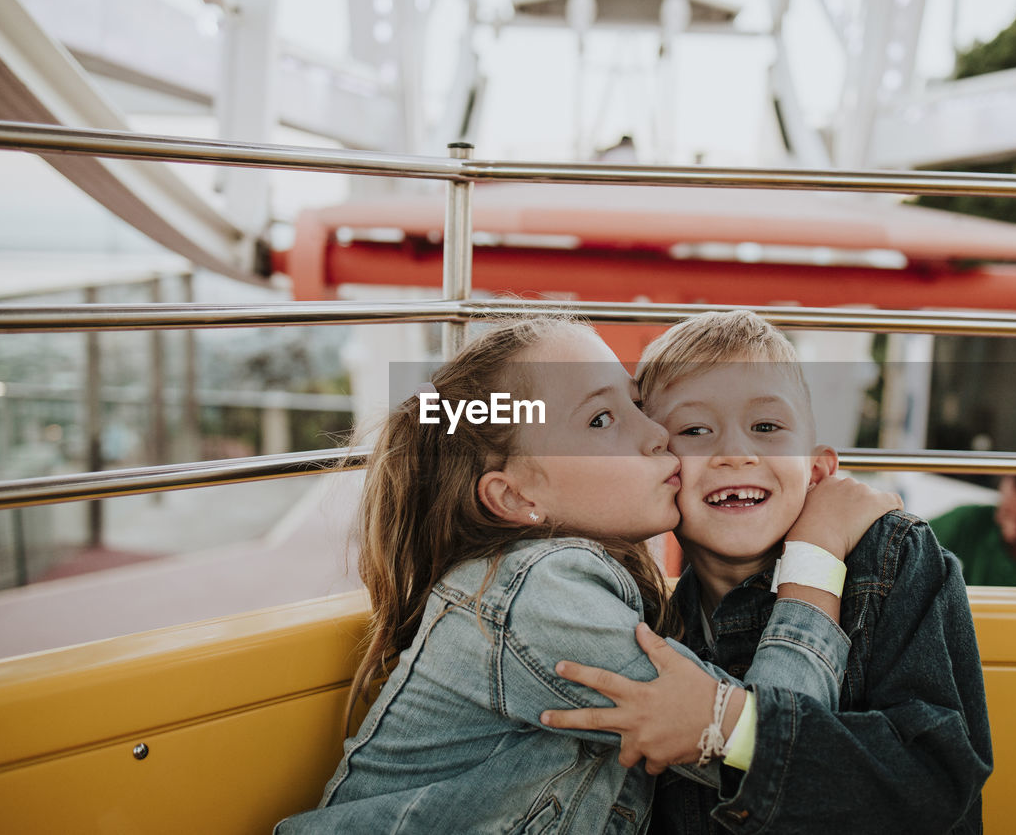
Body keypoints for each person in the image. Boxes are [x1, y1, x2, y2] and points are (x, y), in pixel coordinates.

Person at [275, 317, 898, 834]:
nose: (657, 434)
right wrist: (817, 550)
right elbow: (778, 742)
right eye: (602, 421)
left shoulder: (590, 588)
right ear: (515, 498)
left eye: (633, 403)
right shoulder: (541, 594)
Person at [543, 310, 993, 833]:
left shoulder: (896, 559)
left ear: (818, 470)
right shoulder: (645, 621)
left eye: (766, 427)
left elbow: (935, 782)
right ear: (660, 472)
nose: (735, 453)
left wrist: (730, 724)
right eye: (694, 430)